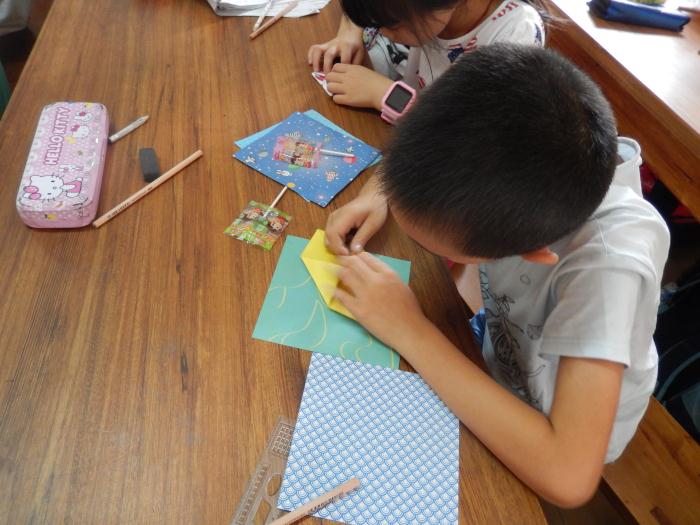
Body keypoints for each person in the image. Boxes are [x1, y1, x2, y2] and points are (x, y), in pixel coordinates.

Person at [325, 43, 670, 507]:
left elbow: (567, 477)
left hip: (556, 425)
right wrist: (381, 192)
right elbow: (433, 139)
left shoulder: (610, 271)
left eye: (429, 247)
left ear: (532, 254)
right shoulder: (522, 158)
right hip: (502, 352)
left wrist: (410, 330)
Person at [308, 0, 544, 113]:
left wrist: (385, 94)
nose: (383, 32)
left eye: (392, 24)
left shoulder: (516, 34)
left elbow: (465, 138)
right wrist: (350, 33)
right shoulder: (430, 14)